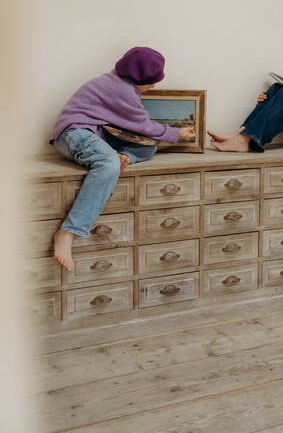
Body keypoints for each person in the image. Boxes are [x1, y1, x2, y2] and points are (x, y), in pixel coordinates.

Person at [50, 46, 195, 271]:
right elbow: (143, 125)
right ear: (139, 78)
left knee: (149, 147)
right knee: (109, 165)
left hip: (96, 133)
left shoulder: (118, 80)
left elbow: (140, 131)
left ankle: (123, 155)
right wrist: (177, 133)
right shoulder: (121, 89)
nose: (153, 86)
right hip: (73, 133)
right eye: (152, 81)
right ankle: (68, 232)